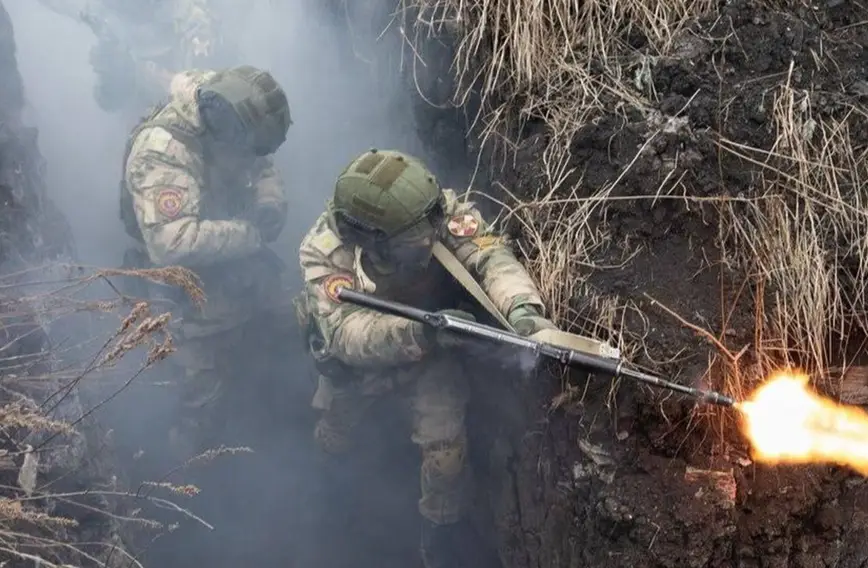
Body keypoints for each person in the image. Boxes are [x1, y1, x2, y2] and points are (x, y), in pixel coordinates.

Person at [293, 148, 558, 568]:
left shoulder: (431, 213)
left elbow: (489, 256)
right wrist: (421, 332)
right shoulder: (326, 252)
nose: (430, 241)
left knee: (447, 456)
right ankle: (327, 492)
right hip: (360, 368)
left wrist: (523, 310)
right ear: (374, 239)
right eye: (412, 243)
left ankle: (440, 533)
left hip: (431, 357)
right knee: (335, 432)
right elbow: (346, 336)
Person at [119, 64, 292, 457]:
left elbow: (262, 160)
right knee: (200, 392)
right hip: (182, 289)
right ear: (224, 132)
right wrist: (251, 234)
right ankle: (188, 468)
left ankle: (274, 416)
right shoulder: (163, 153)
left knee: (287, 330)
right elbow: (173, 242)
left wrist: (269, 201)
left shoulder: (231, 108)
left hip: (236, 264)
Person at [38, 0, 230, 115]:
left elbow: (206, 92)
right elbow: (109, 100)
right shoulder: (107, 17)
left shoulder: (191, 17)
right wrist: (114, 68)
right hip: (146, 105)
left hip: (195, 100)